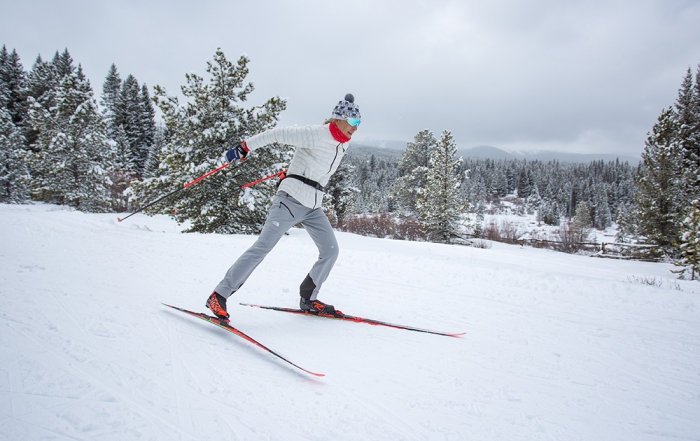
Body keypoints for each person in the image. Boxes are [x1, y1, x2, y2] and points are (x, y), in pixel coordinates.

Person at [205, 94, 361, 322]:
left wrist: (294, 171)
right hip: (290, 200)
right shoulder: (316, 133)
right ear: (338, 119)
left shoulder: (341, 145)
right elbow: (277, 134)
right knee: (263, 246)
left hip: (313, 206)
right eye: (353, 123)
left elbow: (313, 166)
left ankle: (308, 298)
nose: (356, 129)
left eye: (359, 124)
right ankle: (219, 294)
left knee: (330, 250)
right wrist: (244, 147)